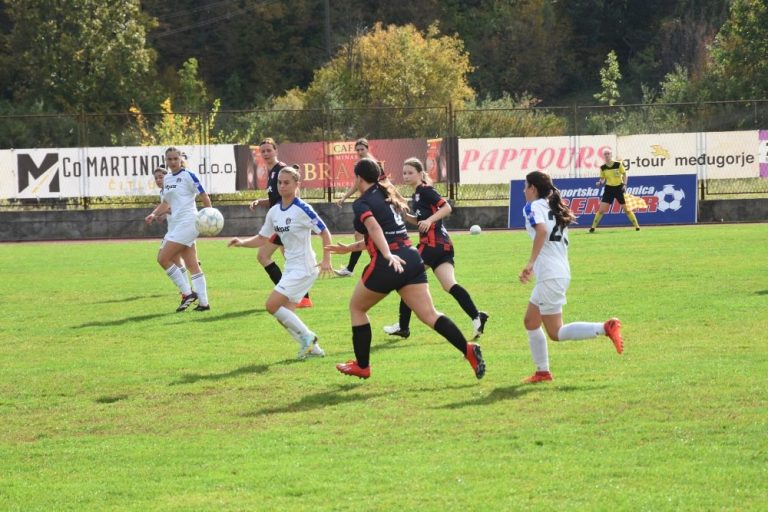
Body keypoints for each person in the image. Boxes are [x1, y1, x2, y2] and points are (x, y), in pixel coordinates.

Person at [327, 158, 485, 380]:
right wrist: (350, 249)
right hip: (411, 257)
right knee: (429, 315)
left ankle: (362, 366)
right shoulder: (386, 195)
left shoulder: (363, 202)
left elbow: (374, 228)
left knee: (357, 308)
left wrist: (386, 255)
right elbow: (383, 235)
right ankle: (468, 350)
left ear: (359, 178)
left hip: (389, 262)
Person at [519, 170, 624, 383]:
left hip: (550, 274)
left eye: (525, 186)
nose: (523, 191)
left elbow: (541, 231)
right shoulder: (553, 206)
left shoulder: (533, 206)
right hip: (559, 271)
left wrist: (530, 263)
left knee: (556, 332)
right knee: (530, 321)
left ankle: (605, 327)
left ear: (533, 188)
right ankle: (542, 372)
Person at [229, 166, 332, 359]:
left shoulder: (302, 209)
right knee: (283, 315)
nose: (282, 186)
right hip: (291, 267)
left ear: (297, 184)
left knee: (271, 306)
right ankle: (314, 349)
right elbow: (262, 238)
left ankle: (309, 337)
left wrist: (327, 259)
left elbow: (325, 232)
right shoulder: (274, 211)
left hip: (304, 268)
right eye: (279, 182)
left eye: (286, 183)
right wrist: (242, 243)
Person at [382, 157, 488, 340]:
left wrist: (429, 220)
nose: (406, 176)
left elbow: (446, 207)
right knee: (449, 284)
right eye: (404, 173)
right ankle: (476, 316)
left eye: (410, 172)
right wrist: (404, 215)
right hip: (443, 245)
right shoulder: (417, 194)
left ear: (420, 174)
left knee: (406, 280)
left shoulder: (425, 190)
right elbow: (419, 221)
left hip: (431, 245)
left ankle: (403, 326)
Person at [145, 147, 211, 312]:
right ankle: (204, 304)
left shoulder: (188, 175)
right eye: (170, 159)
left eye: (176, 158)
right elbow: (166, 203)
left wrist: (209, 214)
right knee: (192, 265)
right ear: (166, 161)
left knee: (163, 258)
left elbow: (203, 195)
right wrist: (154, 214)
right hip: (176, 225)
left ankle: (187, 293)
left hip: (189, 222)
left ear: (181, 159)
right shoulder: (167, 178)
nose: (173, 162)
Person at [249, 138, 312, 308]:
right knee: (279, 258)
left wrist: (293, 217)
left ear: (276, 151)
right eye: (263, 151)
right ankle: (301, 297)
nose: (266, 153)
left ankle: (294, 296)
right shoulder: (271, 173)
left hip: (285, 223)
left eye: (269, 150)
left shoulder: (281, 170)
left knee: (266, 257)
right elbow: (276, 200)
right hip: (279, 222)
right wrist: (260, 202)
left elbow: (294, 194)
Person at [333, 138, 373, 277]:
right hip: (365, 203)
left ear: (367, 149)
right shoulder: (360, 164)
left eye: (362, 149)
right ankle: (350, 268)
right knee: (361, 236)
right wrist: (344, 197)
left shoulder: (372, 164)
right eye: (358, 150)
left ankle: (352, 268)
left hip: (371, 204)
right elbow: (357, 184)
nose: (360, 152)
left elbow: (383, 183)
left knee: (368, 236)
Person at [589, 149, 640, 232]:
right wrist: (600, 182)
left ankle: (637, 227)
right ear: (603, 156)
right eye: (605, 154)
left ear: (611, 155)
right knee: (601, 210)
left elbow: (624, 174)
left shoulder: (618, 164)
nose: (607, 155)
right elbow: (602, 179)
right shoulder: (603, 167)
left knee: (627, 210)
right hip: (609, 189)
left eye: (608, 154)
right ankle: (592, 228)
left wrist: (625, 185)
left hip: (619, 188)